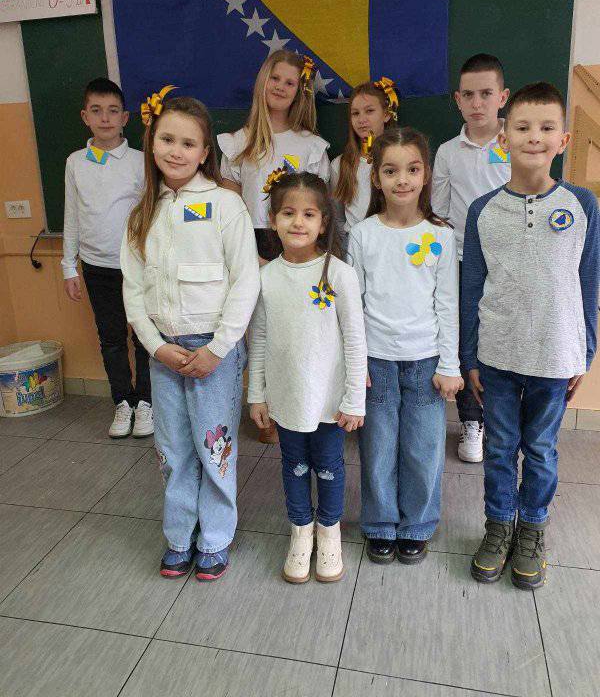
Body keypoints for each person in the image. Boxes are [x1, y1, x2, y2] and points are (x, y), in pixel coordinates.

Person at [462, 82, 599, 590]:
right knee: (500, 448)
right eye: (522, 127)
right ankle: (499, 527)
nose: (534, 137)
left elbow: (589, 281)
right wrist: (469, 356)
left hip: (556, 355)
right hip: (497, 355)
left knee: (540, 449)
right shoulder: (482, 210)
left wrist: (585, 350)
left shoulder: (583, 205)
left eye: (546, 128)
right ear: (504, 138)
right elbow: (472, 285)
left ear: (563, 140)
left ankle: (532, 530)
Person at [121, 90, 260, 581]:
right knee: (173, 448)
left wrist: (219, 349)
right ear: (151, 143)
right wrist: (156, 346)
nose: (175, 151)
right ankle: (180, 535)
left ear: (204, 153)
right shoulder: (142, 212)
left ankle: (215, 537)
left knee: (214, 446)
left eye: (188, 143)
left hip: (214, 351)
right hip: (164, 350)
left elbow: (246, 281)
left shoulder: (225, 205)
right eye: (167, 140)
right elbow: (133, 289)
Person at [349, 127, 463, 566]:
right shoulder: (363, 234)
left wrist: (450, 364)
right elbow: (353, 306)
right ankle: (380, 524)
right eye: (391, 171)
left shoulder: (441, 234)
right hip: (376, 360)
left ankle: (417, 524)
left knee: (423, 449)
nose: (402, 180)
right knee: (378, 449)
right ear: (376, 177)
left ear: (426, 174)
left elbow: (448, 303)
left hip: (426, 361)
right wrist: (356, 364)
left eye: (412, 170)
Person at [248, 171, 367, 584]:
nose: (298, 222)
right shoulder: (265, 277)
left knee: (329, 466)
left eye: (309, 214)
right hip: (286, 397)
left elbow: (355, 340)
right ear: (272, 218)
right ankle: (301, 530)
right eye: (288, 213)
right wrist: (257, 394)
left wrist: (354, 399)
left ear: (323, 221)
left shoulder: (340, 274)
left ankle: (328, 531)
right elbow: (259, 338)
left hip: (330, 401)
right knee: (294, 465)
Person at [219, 50, 330, 444]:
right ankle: (262, 408)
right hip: (251, 244)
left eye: (291, 83)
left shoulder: (311, 146)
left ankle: (298, 406)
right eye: (276, 78)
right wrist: (250, 255)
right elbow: (229, 209)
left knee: (293, 331)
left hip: (298, 245)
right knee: (257, 332)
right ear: (262, 81)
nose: (281, 87)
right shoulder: (238, 142)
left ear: (301, 92)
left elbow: (320, 208)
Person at [62, 77, 152, 438]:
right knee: (111, 338)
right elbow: (71, 214)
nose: (105, 118)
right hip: (96, 267)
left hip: (138, 267)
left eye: (113, 111)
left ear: (125, 118)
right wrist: (68, 266)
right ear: (85, 116)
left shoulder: (140, 162)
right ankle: (123, 402)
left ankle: (146, 402)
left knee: (143, 336)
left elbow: (152, 215)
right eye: (96, 111)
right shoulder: (75, 162)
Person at [431, 54, 511, 463]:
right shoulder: (448, 152)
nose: (477, 103)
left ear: (503, 97)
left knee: (504, 337)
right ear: (457, 100)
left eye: (486, 94)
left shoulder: (517, 142)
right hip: (464, 261)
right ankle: (471, 421)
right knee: (468, 340)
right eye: (469, 95)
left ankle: (503, 420)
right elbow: (439, 211)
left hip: (511, 261)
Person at [330, 78, 398, 243]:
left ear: (386, 114)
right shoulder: (340, 164)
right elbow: (337, 216)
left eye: (369, 111)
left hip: (394, 240)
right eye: (355, 113)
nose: (361, 120)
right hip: (354, 243)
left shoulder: (402, 159)